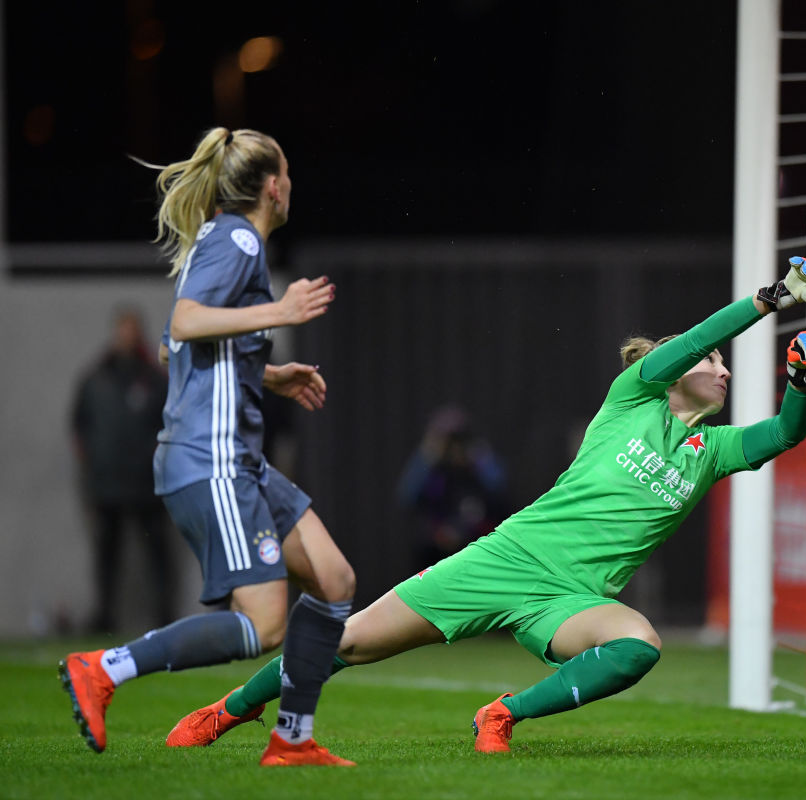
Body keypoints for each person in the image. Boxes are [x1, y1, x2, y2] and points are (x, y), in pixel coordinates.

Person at [165, 256, 806, 756]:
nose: (722, 370)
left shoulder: (710, 450)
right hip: (506, 558)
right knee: (351, 643)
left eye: (725, 363)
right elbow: (692, 341)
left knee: (639, 646)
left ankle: (503, 715)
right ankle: (230, 710)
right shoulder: (631, 396)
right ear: (671, 368)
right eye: (713, 362)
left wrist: (801, 383)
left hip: (571, 598)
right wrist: (771, 299)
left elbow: (785, 434)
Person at [58, 127, 357, 767]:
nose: (292, 184)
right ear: (272, 185)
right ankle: (105, 667)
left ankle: (293, 741)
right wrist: (282, 312)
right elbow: (186, 323)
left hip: (233, 458)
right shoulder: (241, 238)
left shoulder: (220, 238)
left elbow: (175, 349)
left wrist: (272, 375)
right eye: (288, 172)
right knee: (263, 624)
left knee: (334, 579)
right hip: (211, 458)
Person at [71, 306, 172, 633]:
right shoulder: (95, 378)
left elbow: (172, 424)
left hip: (147, 484)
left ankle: (164, 616)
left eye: (132, 329)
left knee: (156, 552)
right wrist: (93, 464)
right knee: (107, 555)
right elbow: (79, 427)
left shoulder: (155, 379)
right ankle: (104, 615)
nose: (126, 336)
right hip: (107, 484)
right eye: (122, 329)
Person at [395, 406, 510, 572]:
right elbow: (407, 497)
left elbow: (500, 492)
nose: (453, 448)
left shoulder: (478, 464)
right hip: (436, 547)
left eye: (459, 441)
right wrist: (427, 456)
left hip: (475, 544)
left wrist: (478, 456)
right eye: (449, 442)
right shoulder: (432, 467)